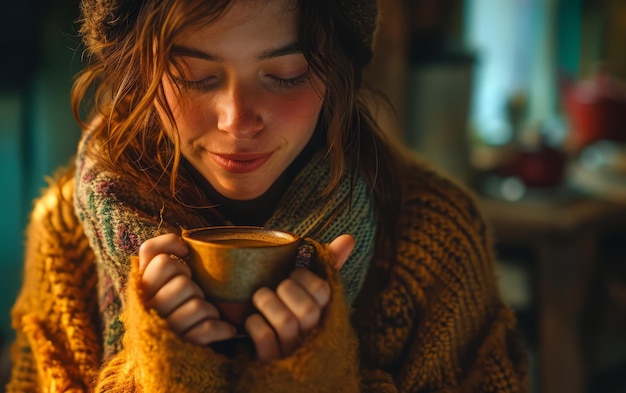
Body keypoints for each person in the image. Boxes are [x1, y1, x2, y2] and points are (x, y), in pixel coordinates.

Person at [6, 0, 529, 391]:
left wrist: (315, 377)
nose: (237, 120)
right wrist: (156, 373)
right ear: (138, 73)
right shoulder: (65, 233)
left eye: (285, 76)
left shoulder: (434, 239)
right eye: (194, 76)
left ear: (338, 72)